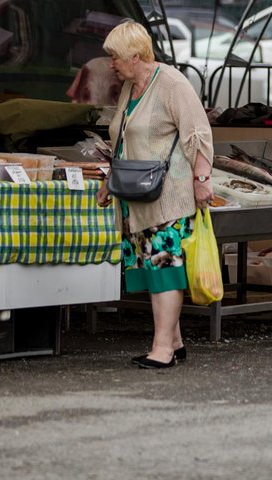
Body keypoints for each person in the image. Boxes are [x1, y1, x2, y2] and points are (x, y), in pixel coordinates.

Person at [96, 21, 214, 369]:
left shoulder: (172, 84)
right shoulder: (130, 88)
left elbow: (197, 133)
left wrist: (202, 178)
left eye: (115, 57)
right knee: (150, 269)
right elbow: (123, 139)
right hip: (136, 196)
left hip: (168, 196)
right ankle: (174, 341)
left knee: (164, 269)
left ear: (135, 56)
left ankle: (162, 348)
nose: (111, 64)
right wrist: (109, 181)